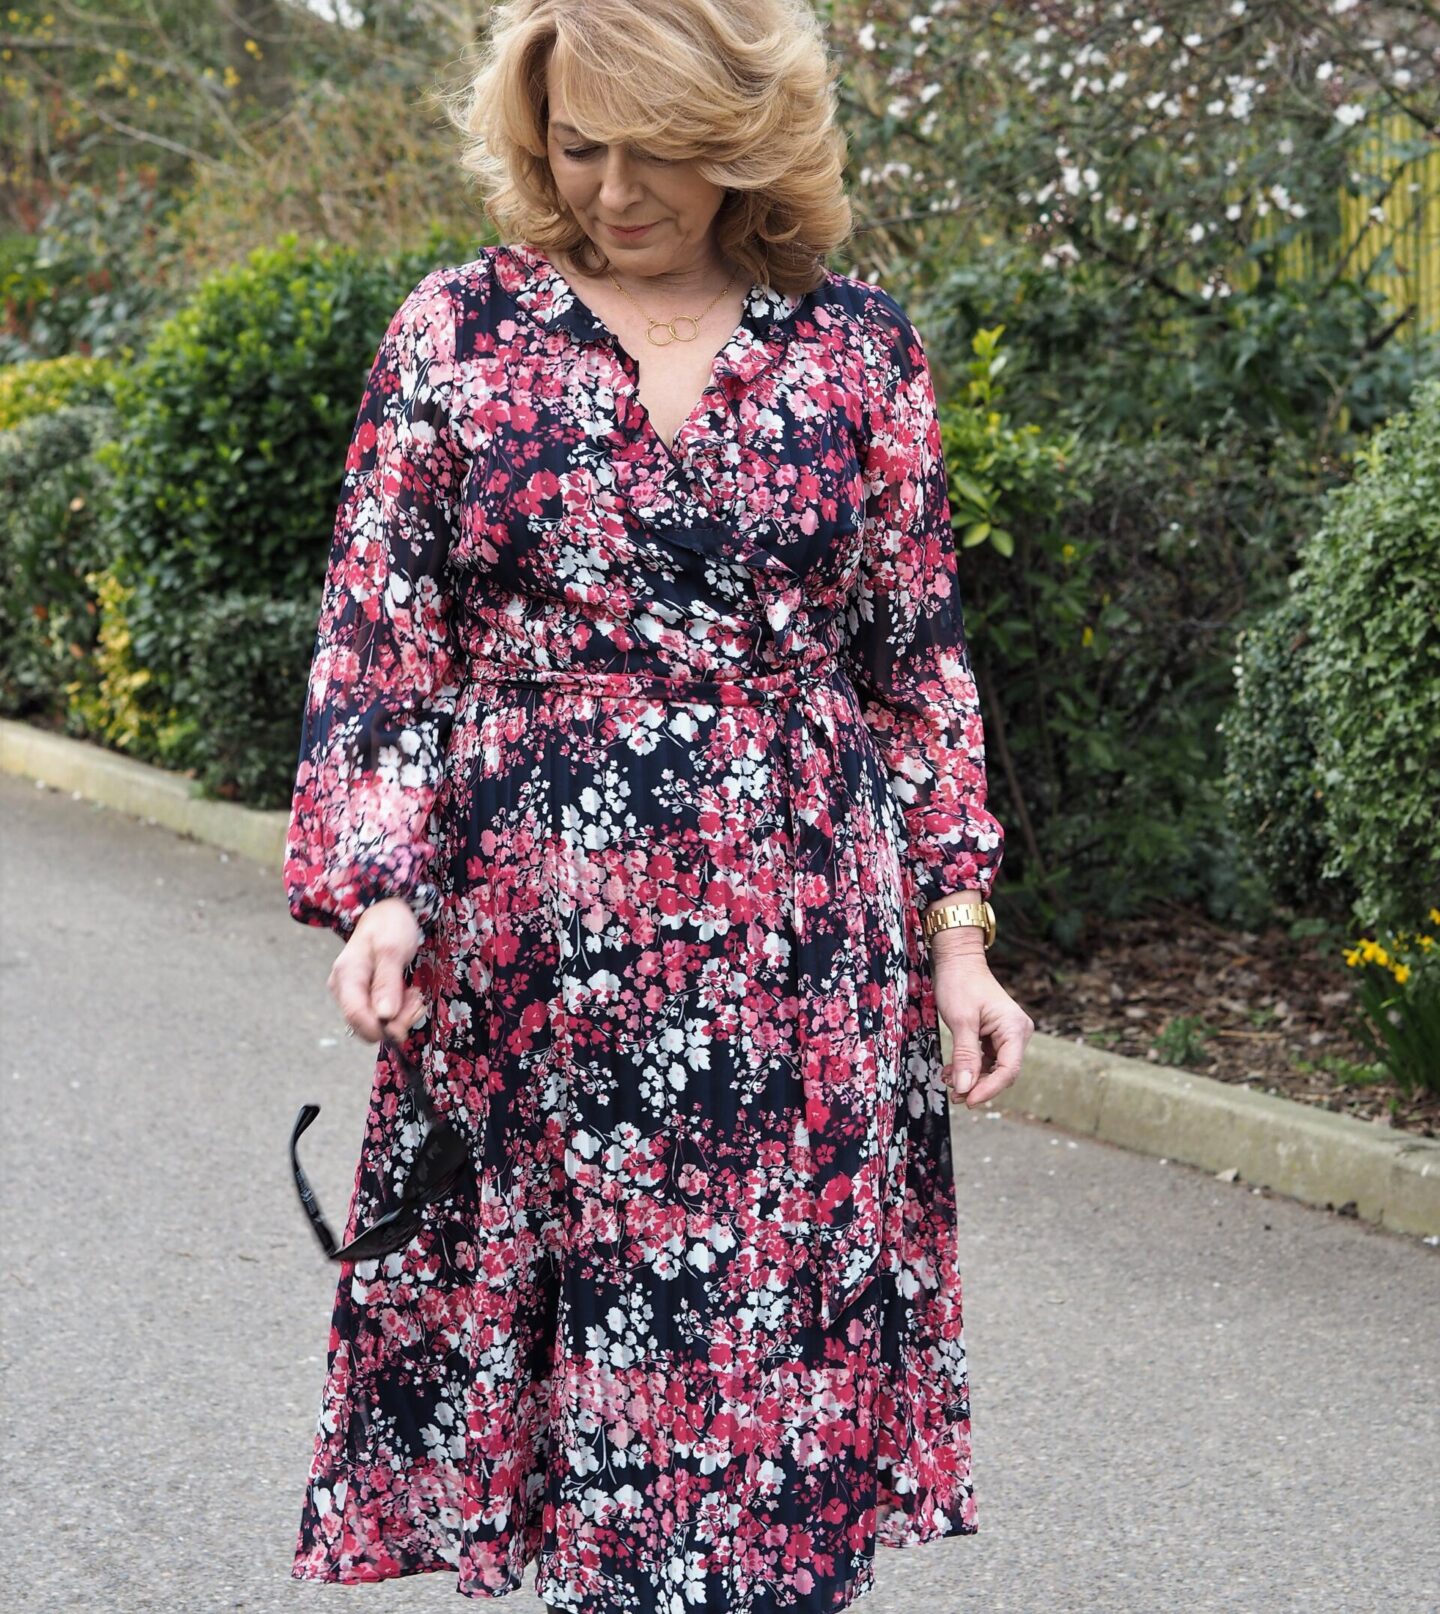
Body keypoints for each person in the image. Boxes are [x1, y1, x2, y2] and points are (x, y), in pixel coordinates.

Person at [283, 0, 1035, 1608]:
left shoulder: (856, 349)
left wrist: (957, 937)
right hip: (530, 965)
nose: (613, 187)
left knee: (766, 1431)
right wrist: (386, 890)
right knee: (590, 1434)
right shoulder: (455, 334)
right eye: (577, 144)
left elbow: (917, 672)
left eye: (659, 151)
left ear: (743, 142)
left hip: (796, 975)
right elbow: (380, 644)